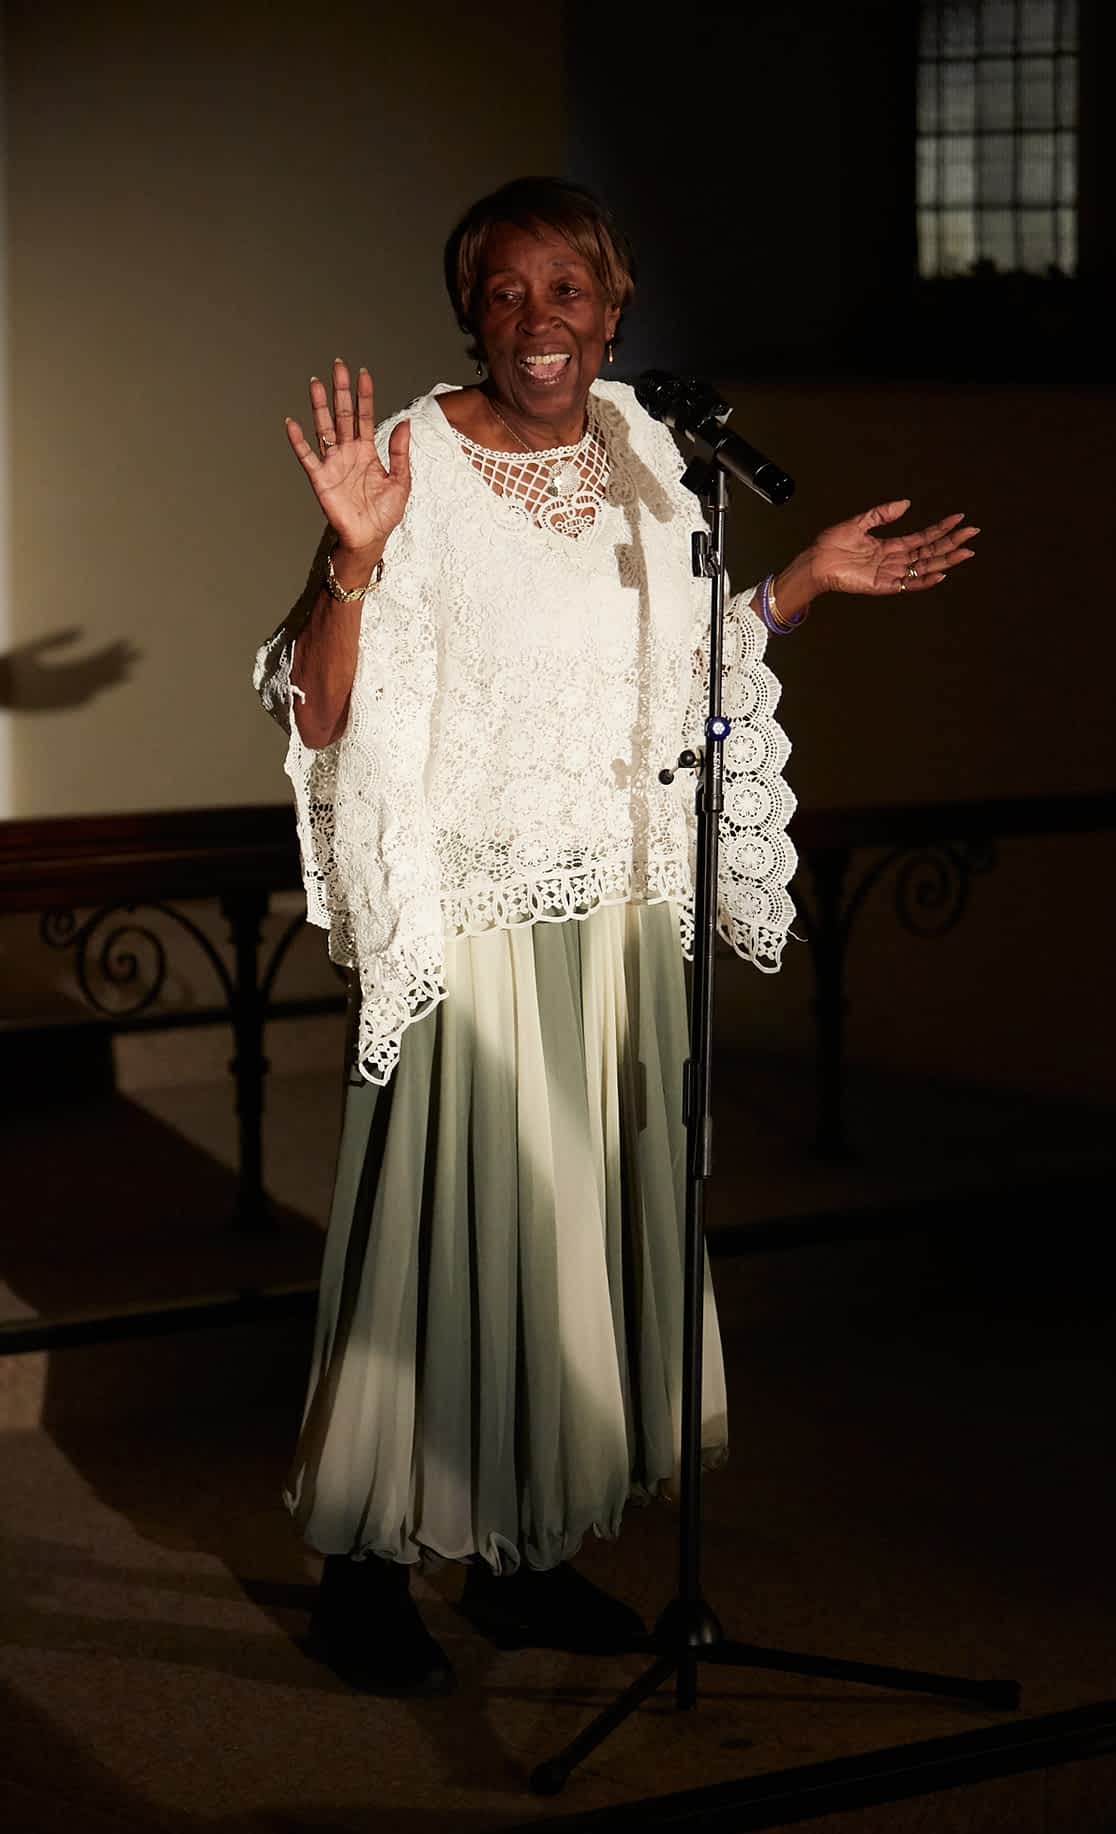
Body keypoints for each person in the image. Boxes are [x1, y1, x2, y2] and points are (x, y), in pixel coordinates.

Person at [254, 176, 979, 1698]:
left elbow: (677, 676)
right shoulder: (414, 462)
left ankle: (521, 1557)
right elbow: (319, 711)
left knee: (575, 1243)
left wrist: (802, 584)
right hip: (475, 926)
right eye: (505, 294)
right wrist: (352, 558)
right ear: (472, 314)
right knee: (436, 1238)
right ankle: (365, 1574)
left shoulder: (653, 449)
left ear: (614, 305)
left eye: (566, 292)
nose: (538, 322)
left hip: (617, 915)